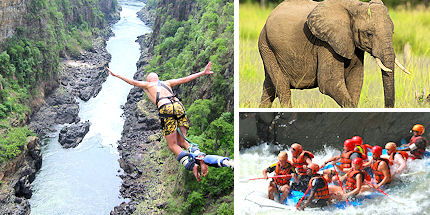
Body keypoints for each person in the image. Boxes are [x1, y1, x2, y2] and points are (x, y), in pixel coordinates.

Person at [107, 62, 233, 182]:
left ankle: (192, 166)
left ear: (149, 80)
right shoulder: (167, 83)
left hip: (165, 107)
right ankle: (201, 159)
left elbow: (132, 82)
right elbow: (185, 79)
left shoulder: (148, 85)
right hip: (178, 105)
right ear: (158, 78)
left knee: (173, 145)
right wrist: (202, 72)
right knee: (183, 142)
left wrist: (116, 75)